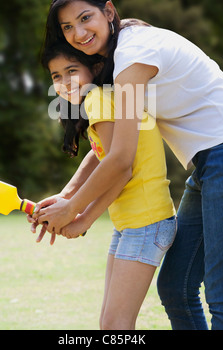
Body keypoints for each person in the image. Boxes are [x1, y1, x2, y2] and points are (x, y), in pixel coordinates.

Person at [33, 0, 223, 330]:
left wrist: (74, 210)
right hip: (210, 160)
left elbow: (121, 160)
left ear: (108, 11)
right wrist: (67, 195)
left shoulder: (132, 58)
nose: (78, 33)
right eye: (68, 26)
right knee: (176, 287)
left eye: (86, 18)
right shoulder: (118, 61)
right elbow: (111, 146)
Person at [33, 41, 176, 330]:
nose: (64, 82)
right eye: (56, 76)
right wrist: (65, 195)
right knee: (109, 324)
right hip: (133, 224)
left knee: (115, 326)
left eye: (72, 70)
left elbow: (119, 169)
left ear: (95, 68)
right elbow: (99, 153)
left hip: (146, 223)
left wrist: (82, 219)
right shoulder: (104, 98)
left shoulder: (97, 98)